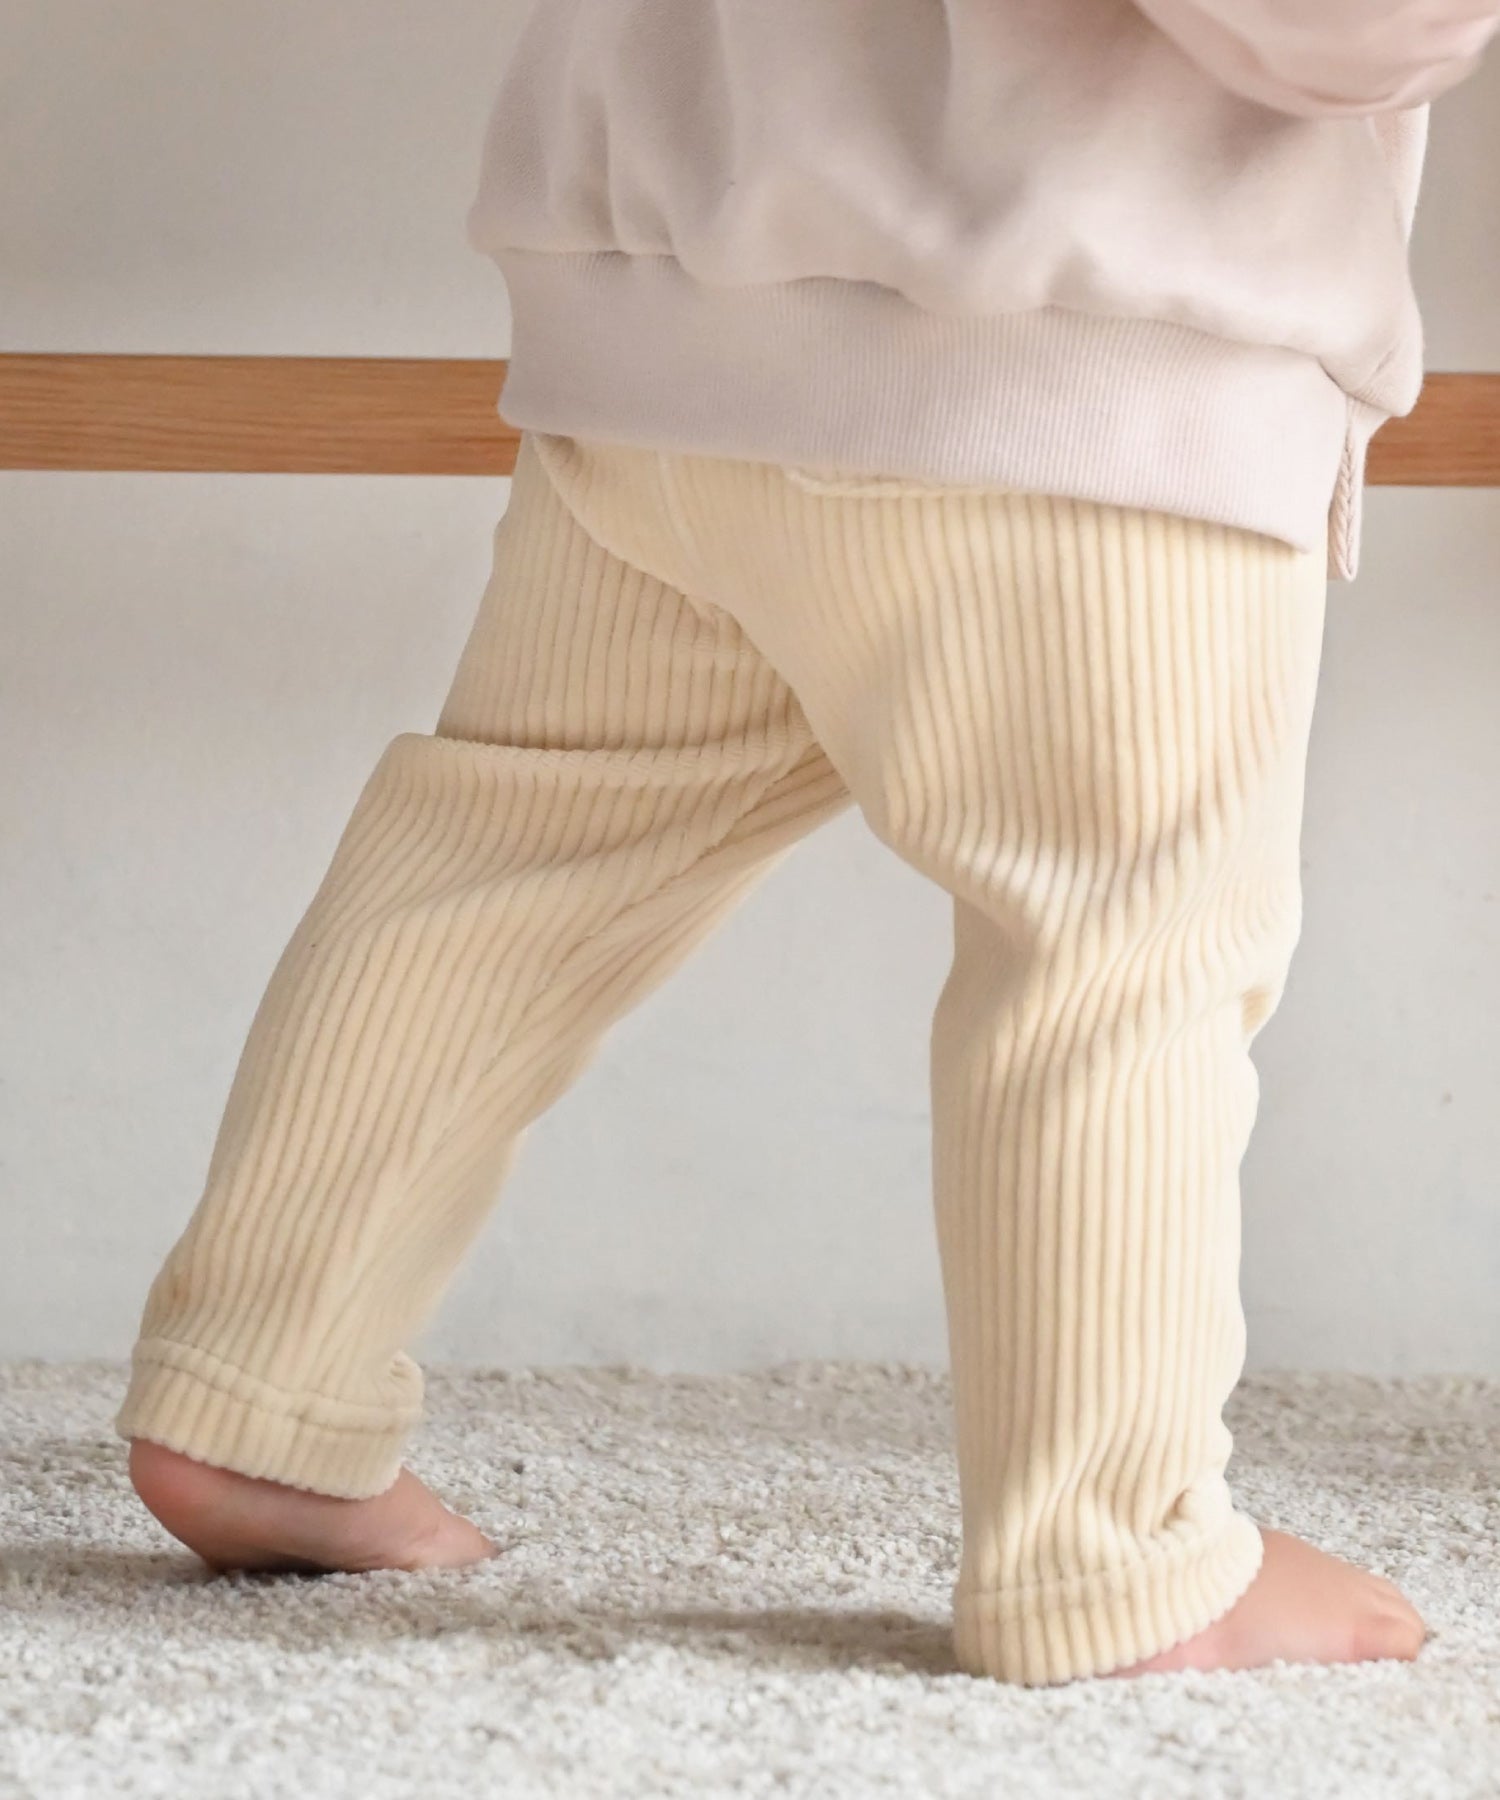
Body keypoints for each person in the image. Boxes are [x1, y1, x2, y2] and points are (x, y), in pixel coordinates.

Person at [118, 0, 1500, 1685]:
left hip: (659, 329)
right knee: (1117, 942)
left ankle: (261, 1385)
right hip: (1071, 344)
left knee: (510, 859)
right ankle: (1113, 1557)